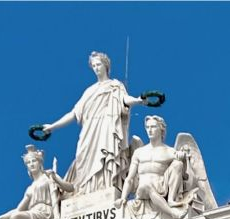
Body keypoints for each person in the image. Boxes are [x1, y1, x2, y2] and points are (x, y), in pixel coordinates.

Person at [41, 51, 149, 195]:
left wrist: (138, 100)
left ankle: (106, 187)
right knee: (83, 158)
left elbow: (124, 100)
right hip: (89, 130)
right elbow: (74, 113)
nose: (96, 68)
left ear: (106, 66)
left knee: (105, 154)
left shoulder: (115, 85)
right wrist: (52, 127)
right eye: (93, 65)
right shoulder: (89, 91)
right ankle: (85, 191)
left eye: (98, 64)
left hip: (106, 126)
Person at [115, 115, 197, 219]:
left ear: (161, 129)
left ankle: (171, 200)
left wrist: (183, 160)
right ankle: (172, 213)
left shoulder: (170, 151)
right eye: (147, 127)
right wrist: (123, 198)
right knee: (146, 186)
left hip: (161, 188)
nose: (150, 130)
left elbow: (185, 175)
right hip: (143, 190)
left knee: (178, 164)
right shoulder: (139, 152)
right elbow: (130, 178)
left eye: (153, 127)